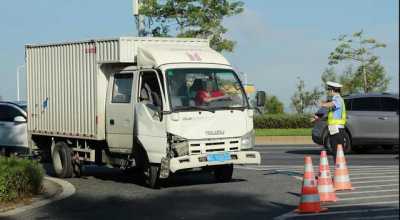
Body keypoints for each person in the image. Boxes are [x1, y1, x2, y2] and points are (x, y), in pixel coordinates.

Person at [316, 81, 347, 163]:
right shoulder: (335, 99)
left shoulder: (338, 99)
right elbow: (330, 114)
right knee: (336, 150)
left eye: (329, 90)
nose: (328, 92)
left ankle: (340, 170)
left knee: (337, 150)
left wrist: (322, 104)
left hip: (337, 129)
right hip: (334, 128)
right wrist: (317, 118)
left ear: (333, 90)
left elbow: (332, 104)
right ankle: (339, 170)